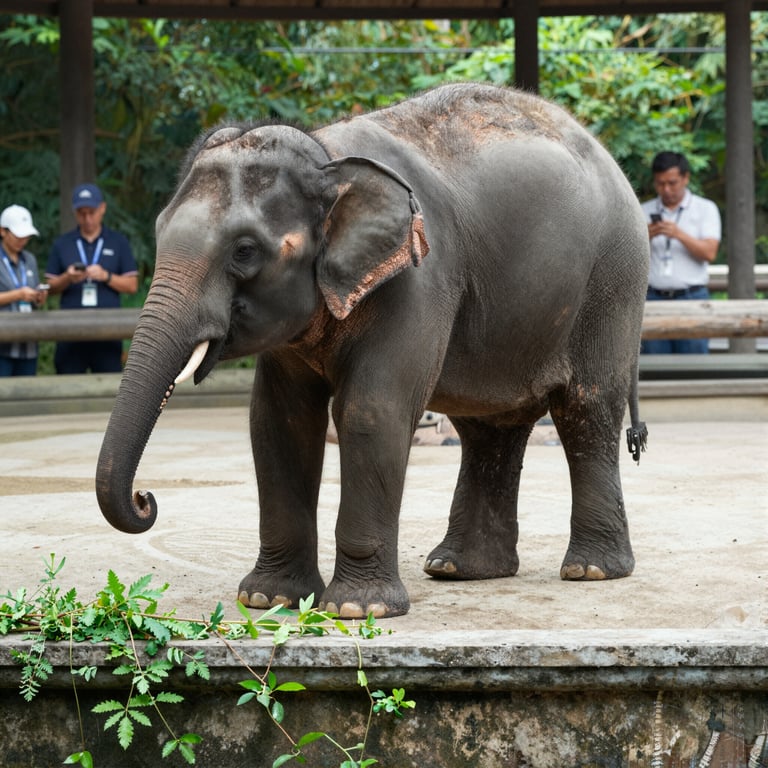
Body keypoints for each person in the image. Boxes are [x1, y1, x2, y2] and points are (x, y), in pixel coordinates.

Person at [46, 183, 138, 373]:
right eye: (82, 213)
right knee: (67, 386)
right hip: (70, 332)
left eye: (92, 212)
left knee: (109, 389)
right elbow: (50, 288)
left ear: (102, 208)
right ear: (74, 212)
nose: (87, 218)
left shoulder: (118, 241)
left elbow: (132, 285)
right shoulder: (62, 244)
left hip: (108, 332)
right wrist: (67, 277)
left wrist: (106, 276)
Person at [641, 151, 722, 354]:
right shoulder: (642, 210)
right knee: (654, 369)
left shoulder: (705, 209)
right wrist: (645, 236)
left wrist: (679, 234)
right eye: (660, 184)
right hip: (653, 297)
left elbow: (710, 253)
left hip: (692, 298)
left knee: (695, 368)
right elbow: (626, 259)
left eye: (672, 182)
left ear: (686, 178)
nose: (666, 190)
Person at [0, 205, 48, 376]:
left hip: (28, 344)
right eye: (18, 235)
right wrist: (19, 294)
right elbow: (20, 293)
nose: (23, 240)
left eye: (26, 236)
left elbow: (34, 294)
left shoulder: (30, 259)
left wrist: (38, 297)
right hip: (2, 344)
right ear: (2, 231)